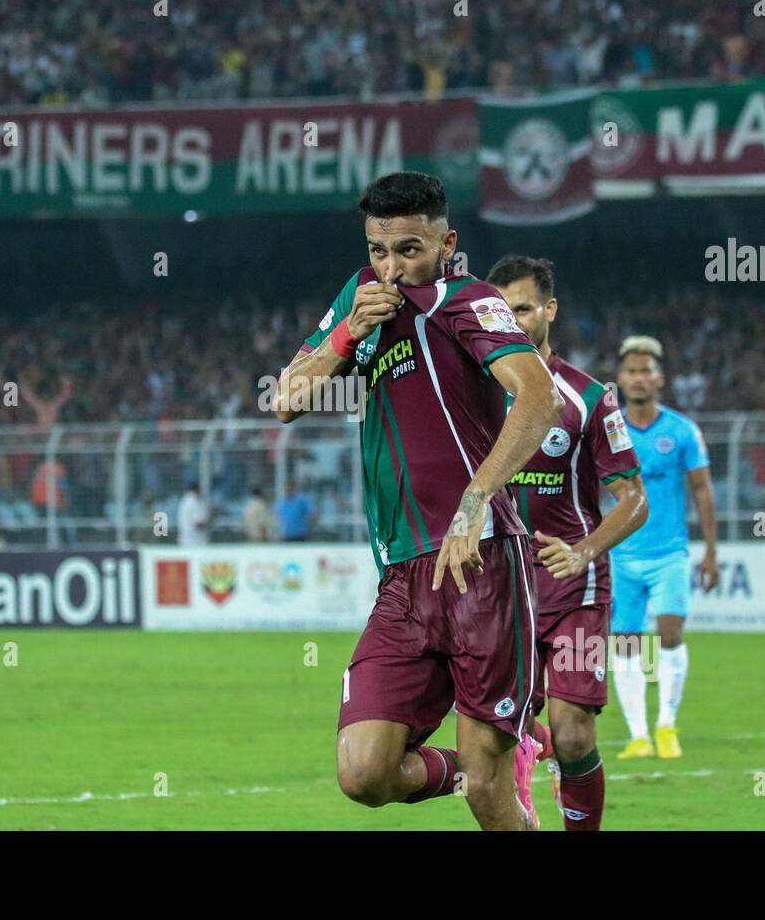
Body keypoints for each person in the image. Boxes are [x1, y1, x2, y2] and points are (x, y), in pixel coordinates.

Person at [271, 171, 563, 831]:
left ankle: (490, 764)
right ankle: (488, 756)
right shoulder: (362, 299)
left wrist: (475, 501)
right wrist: (346, 334)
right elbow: (285, 399)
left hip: (479, 563)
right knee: (364, 772)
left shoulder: (468, 300)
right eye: (378, 250)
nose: (392, 267)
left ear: (446, 241)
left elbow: (537, 394)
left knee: (491, 795)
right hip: (403, 578)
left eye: (409, 249)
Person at [488, 255, 649, 830]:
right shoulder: (475, 395)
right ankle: (535, 755)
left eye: (525, 308)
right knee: (499, 731)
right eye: (502, 312)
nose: (514, 321)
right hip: (500, 588)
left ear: (550, 310)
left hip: (571, 585)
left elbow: (633, 499)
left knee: (576, 732)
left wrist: (584, 551)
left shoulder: (588, 397)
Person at [610, 336, 719, 761]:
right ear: (620, 379)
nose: (639, 378)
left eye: (646, 371)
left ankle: (667, 725)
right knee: (625, 643)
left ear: (660, 378)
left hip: (669, 553)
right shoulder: (608, 428)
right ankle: (638, 735)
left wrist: (711, 552)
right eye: (631, 372)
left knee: (670, 633)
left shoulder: (682, 430)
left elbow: (703, 491)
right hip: (620, 554)